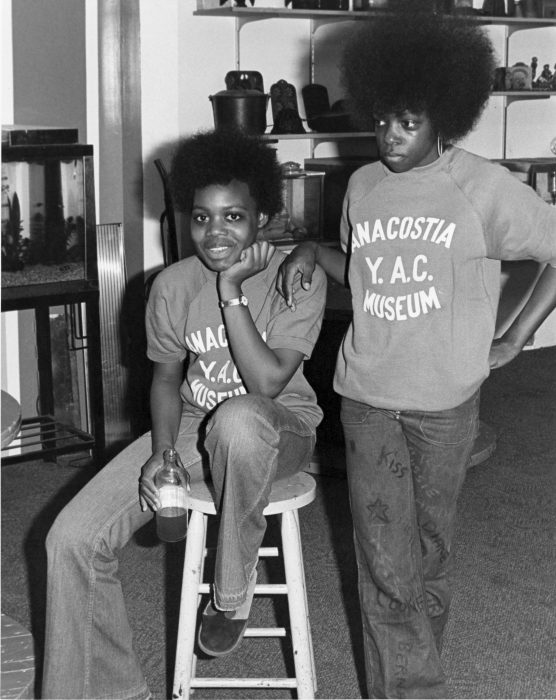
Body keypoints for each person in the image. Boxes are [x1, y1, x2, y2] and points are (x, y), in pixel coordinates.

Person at [277, 4, 556, 698]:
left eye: (408, 121)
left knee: (426, 553)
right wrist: (315, 249)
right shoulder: (363, 186)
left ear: (444, 115)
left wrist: (517, 337)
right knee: (385, 565)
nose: (390, 137)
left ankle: (415, 661)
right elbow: (366, 268)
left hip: (445, 406)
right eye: (381, 119)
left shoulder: (482, 187)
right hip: (366, 398)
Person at [42, 129, 326, 699]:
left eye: (234, 217)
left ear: (263, 217)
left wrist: (231, 290)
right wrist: (163, 453)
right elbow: (167, 380)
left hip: (279, 426)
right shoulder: (170, 287)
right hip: (196, 427)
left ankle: (230, 594)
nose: (215, 233)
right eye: (201, 218)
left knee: (241, 419)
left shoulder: (299, 277)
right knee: (70, 539)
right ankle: (109, 692)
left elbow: (268, 382)